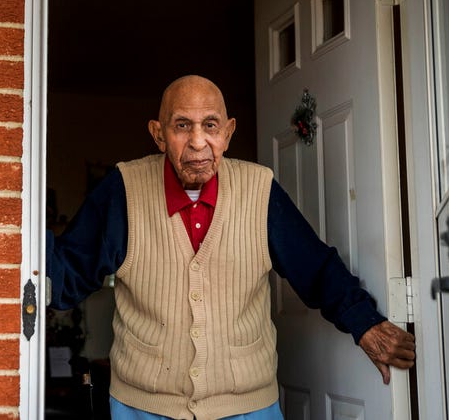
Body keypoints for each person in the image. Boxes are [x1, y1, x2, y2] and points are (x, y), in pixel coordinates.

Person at [46, 75, 416, 420]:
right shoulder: (122, 190)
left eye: (210, 125)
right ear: (158, 136)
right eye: (181, 126)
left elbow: (315, 268)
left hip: (247, 406)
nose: (197, 141)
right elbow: (65, 278)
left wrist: (365, 324)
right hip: (143, 406)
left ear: (228, 132)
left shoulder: (259, 189)